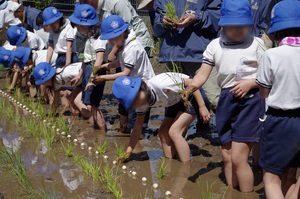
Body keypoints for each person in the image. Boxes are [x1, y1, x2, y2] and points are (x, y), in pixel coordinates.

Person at [184, 0, 265, 193]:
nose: (237, 30)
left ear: (249, 24)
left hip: (251, 101)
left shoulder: (257, 44)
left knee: (239, 157)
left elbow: (269, 75)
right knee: (227, 155)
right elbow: (203, 73)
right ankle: (231, 190)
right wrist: (190, 88)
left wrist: (250, 83)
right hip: (226, 100)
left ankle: (246, 194)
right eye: (232, 26)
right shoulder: (215, 46)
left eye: (242, 26)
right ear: (223, 25)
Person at [256, 1, 300, 198]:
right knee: (292, 173)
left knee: (271, 177)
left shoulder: (272, 55)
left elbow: (264, 92)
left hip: (281, 120)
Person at [112, 74, 210, 162]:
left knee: (174, 132)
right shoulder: (141, 103)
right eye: (133, 103)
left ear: (141, 87)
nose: (137, 103)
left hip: (192, 95)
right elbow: (137, 128)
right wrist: (128, 153)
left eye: (136, 98)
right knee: (163, 133)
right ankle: (170, 161)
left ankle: (185, 167)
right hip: (174, 101)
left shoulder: (161, 84)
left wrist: (202, 106)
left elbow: (192, 82)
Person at [90, 15, 155, 134]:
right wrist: (105, 66)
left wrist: (103, 77)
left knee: (137, 124)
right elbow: (120, 62)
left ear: (119, 35)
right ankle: (128, 135)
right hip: (132, 86)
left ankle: (136, 145)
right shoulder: (125, 45)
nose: (110, 42)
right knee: (126, 114)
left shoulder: (132, 48)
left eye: (110, 39)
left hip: (142, 88)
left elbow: (126, 72)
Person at [153, 0, 221, 111]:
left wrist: (197, 17)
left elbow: (218, 18)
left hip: (199, 56)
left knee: (213, 99)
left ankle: (232, 127)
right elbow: (157, 27)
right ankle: (200, 127)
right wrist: (162, 21)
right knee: (175, 102)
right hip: (172, 54)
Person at [68, 3, 106, 131]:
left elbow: (99, 59)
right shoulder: (85, 37)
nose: (76, 26)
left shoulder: (98, 37)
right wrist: (80, 75)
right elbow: (84, 59)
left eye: (78, 24)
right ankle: (95, 130)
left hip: (96, 69)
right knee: (88, 103)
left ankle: (102, 132)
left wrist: (91, 78)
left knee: (93, 104)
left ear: (86, 24)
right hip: (88, 68)